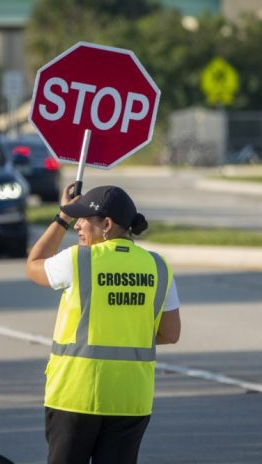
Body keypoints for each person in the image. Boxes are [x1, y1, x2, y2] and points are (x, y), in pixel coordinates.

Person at [26, 183, 181, 464]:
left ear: (107, 224)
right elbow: (170, 333)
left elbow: (34, 263)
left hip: (75, 394)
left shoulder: (78, 259)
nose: (77, 226)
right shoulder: (158, 266)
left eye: (82, 219)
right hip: (131, 399)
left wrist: (61, 217)